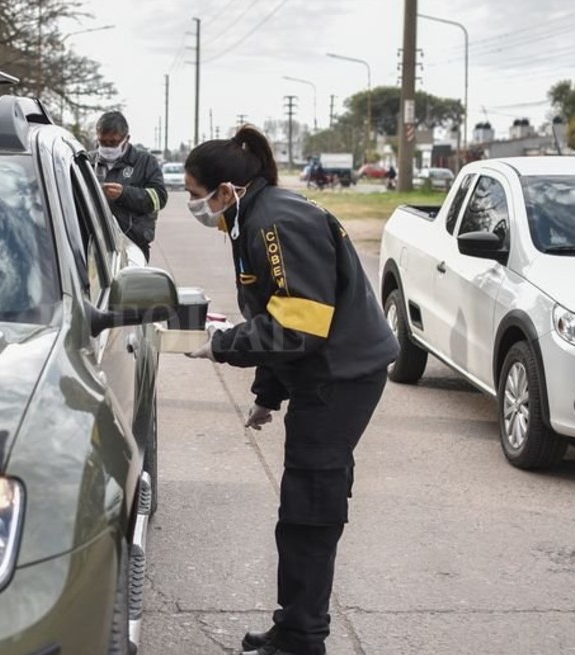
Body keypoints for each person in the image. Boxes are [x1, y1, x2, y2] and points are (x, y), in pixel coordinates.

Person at [184, 125, 398, 655]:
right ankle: (295, 625)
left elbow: (299, 328)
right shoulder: (250, 218)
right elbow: (276, 313)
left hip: (339, 377)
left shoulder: (276, 222)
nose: (193, 206)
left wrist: (220, 343)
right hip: (320, 369)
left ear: (226, 189)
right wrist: (267, 393)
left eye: (195, 195)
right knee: (302, 506)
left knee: (309, 507)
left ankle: (303, 639)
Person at [91, 111, 167, 260]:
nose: (107, 147)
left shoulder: (145, 162)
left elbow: (159, 197)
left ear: (126, 139)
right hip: (94, 244)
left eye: (113, 143)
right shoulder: (87, 162)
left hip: (133, 244)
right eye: (102, 142)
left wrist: (124, 194)